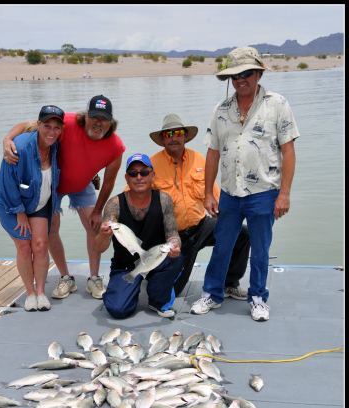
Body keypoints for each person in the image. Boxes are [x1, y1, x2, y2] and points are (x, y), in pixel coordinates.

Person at [190, 47, 299, 322]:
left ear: (259, 73)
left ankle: (258, 297)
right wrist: (207, 193)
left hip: (264, 193)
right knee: (222, 245)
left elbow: (288, 151)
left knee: (261, 249)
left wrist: (284, 193)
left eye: (246, 73)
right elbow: (212, 152)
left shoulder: (278, 104)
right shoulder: (221, 109)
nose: (240, 80)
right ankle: (212, 294)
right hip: (228, 193)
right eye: (235, 75)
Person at [2, 95, 126, 300]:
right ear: (84, 117)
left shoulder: (115, 145)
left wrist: (97, 211)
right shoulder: (66, 122)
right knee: (50, 229)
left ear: (110, 122)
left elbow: (109, 182)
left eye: (104, 119)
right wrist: (7, 139)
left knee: (95, 225)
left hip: (82, 184)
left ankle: (94, 277)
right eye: (94, 117)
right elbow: (27, 125)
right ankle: (65, 277)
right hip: (53, 183)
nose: (98, 123)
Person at [147, 113, 250, 297]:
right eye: (168, 134)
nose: (174, 138)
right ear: (162, 139)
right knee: (169, 292)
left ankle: (230, 283)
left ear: (185, 136)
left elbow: (213, 195)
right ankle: (155, 273)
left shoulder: (199, 159)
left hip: (202, 226)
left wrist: (227, 217)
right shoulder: (151, 165)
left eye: (178, 132)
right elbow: (133, 198)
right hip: (174, 239)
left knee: (242, 233)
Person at [0, 105, 65, 312]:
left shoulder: (55, 145)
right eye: (47, 126)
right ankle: (30, 293)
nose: (51, 132)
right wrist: (20, 212)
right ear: (39, 125)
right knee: (24, 245)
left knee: (41, 245)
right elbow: (7, 183)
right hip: (11, 202)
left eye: (56, 128)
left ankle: (41, 292)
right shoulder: (19, 147)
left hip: (40, 200)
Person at [96, 154, 183, 319]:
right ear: (127, 178)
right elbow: (99, 247)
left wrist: (175, 245)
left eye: (144, 172)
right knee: (118, 310)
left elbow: (173, 235)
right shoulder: (114, 204)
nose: (139, 177)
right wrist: (103, 234)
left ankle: (157, 300)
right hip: (126, 266)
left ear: (152, 175)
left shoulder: (164, 200)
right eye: (133, 173)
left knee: (176, 259)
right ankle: (122, 290)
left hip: (155, 259)